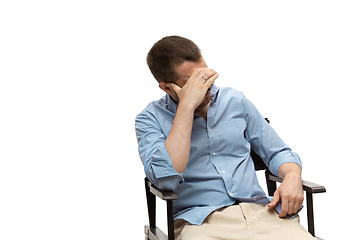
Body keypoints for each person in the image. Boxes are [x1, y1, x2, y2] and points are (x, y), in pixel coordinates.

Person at [135, 36, 315, 240]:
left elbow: (278, 152)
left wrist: (292, 176)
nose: (205, 86)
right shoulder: (149, 119)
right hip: (201, 223)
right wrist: (186, 106)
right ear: (167, 87)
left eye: (205, 75)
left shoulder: (235, 100)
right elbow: (165, 178)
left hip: (263, 213)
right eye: (192, 83)